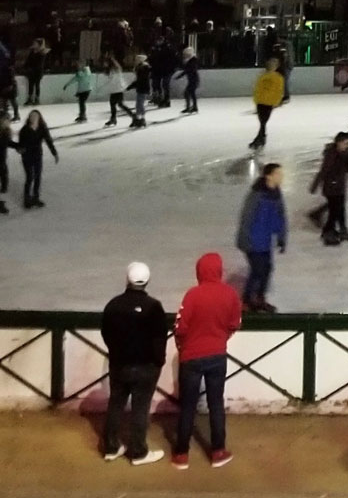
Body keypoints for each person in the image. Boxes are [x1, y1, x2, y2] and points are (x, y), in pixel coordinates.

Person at [171, 252, 241, 469]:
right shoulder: (230, 294)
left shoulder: (192, 295)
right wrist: (221, 338)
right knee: (216, 404)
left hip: (191, 357)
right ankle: (218, 451)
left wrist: (182, 346)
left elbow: (180, 328)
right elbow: (234, 323)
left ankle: (181, 454)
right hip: (217, 356)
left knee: (188, 406)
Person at [100, 261, 171, 465]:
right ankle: (138, 452)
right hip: (146, 367)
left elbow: (106, 333)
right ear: (147, 281)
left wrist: (115, 352)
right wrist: (158, 361)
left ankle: (111, 447)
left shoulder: (113, 305)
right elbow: (159, 338)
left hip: (119, 364)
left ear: (127, 279)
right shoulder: (154, 307)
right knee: (140, 408)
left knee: (115, 404)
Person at [235, 163, 287, 312]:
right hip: (253, 239)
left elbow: (280, 216)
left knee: (267, 269)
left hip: (266, 240)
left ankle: (259, 298)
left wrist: (281, 237)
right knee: (258, 270)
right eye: (278, 173)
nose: (281, 177)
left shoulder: (276, 193)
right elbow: (246, 218)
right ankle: (248, 299)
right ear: (269, 176)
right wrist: (245, 240)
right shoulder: (256, 194)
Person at [307, 132, 348, 245]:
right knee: (334, 212)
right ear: (338, 143)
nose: (347, 146)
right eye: (345, 143)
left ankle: (342, 231)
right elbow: (323, 171)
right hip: (331, 188)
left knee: (340, 210)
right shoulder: (331, 155)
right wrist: (314, 185)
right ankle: (327, 233)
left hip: (340, 186)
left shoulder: (345, 153)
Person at [15, 108, 56, 207]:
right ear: (29, 118)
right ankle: (27, 199)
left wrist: (54, 152)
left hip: (38, 156)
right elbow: (20, 145)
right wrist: (20, 150)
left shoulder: (42, 128)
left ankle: (36, 197)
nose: (33, 118)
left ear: (39, 118)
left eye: (35, 116)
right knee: (30, 177)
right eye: (31, 116)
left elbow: (48, 140)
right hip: (27, 156)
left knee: (38, 177)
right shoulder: (24, 130)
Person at [248, 58, 284, 150]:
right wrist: (256, 99)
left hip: (269, 102)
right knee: (262, 122)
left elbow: (279, 91)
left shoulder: (278, 77)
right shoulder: (262, 76)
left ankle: (259, 139)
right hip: (261, 101)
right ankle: (261, 138)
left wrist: (277, 101)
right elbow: (257, 88)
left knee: (263, 122)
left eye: (273, 64)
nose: (271, 66)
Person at [64, 57, 95, 123]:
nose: (78, 64)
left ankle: (83, 116)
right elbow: (74, 79)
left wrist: (79, 69)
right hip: (81, 90)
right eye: (78, 63)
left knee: (82, 102)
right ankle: (82, 115)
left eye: (80, 63)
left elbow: (83, 75)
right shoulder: (80, 72)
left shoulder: (87, 70)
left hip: (86, 90)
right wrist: (67, 84)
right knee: (81, 103)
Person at [128, 55, 151, 128]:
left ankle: (141, 118)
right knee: (139, 104)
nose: (135, 61)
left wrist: (131, 86)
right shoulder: (141, 67)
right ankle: (138, 118)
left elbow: (140, 80)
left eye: (136, 59)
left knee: (140, 104)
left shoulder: (143, 68)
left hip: (142, 88)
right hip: (142, 88)